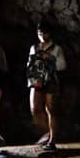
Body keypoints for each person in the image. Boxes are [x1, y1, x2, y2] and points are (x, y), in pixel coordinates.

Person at [27, 21, 67, 150]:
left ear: (50, 33)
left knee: (51, 109)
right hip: (37, 81)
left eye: (44, 33)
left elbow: (62, 66)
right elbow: (29, 64)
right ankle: (48, 132)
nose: (42, 36)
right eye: (39, 33)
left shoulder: (57, 48)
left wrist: (50, 58)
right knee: (35, 109)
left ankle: (52, 140)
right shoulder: (34, 47)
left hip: (51, 81)